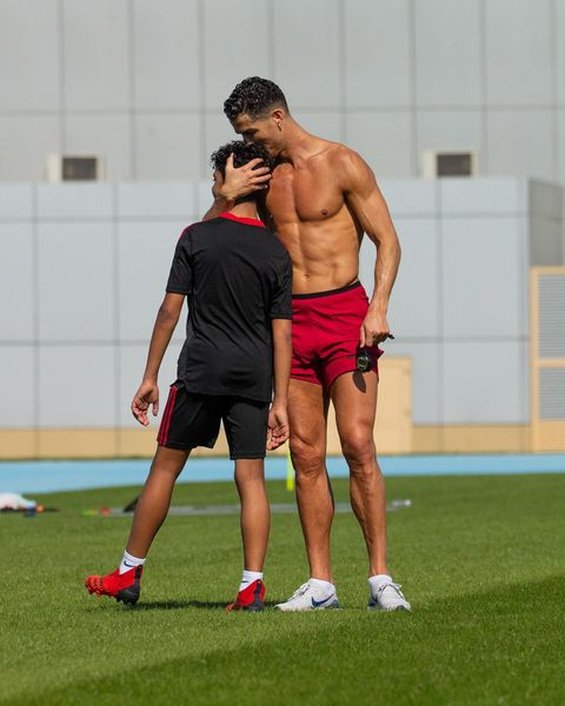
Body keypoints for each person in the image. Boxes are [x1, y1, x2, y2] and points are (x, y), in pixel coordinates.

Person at [205, 77, 410, 612]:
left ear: (277, 118)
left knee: (360, 446)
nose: (250, 144)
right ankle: (321, 583)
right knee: (306, 455)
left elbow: (388, 240)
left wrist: (379, 306)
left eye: (252, 132)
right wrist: (224, 197)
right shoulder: (257, 176)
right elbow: (206, 241)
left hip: (346, 316)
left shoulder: (342, 162)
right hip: (289, 324)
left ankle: (381, 579)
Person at [85, 140, 293, 611]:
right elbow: (283, 335)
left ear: (229, 180)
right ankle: (251, 586)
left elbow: (168, 312)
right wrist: (280, 400)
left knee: (165, 468)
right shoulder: (277, 252)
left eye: (217, 176)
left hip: (200, 371)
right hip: (254, 376)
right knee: (252, 479)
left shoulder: (196, 237)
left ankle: (128, 574)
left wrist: (149, 376)